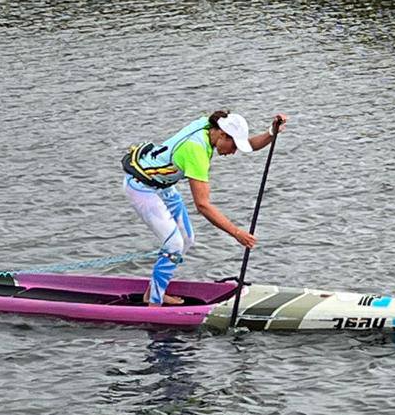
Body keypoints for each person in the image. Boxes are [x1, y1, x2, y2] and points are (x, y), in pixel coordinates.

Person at [122, 109, 288, 305]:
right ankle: (153, 306)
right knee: (174, 244)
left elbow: (249, 144)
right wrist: (236, 233)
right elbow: (202, 205)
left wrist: (271, 132)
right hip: (141, 188)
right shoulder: (196, 151)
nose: (234, 152)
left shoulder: (211, 126)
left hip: (162, 184)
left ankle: (153, 292)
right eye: (233, 146)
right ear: (222, 134)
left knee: (186, 239)